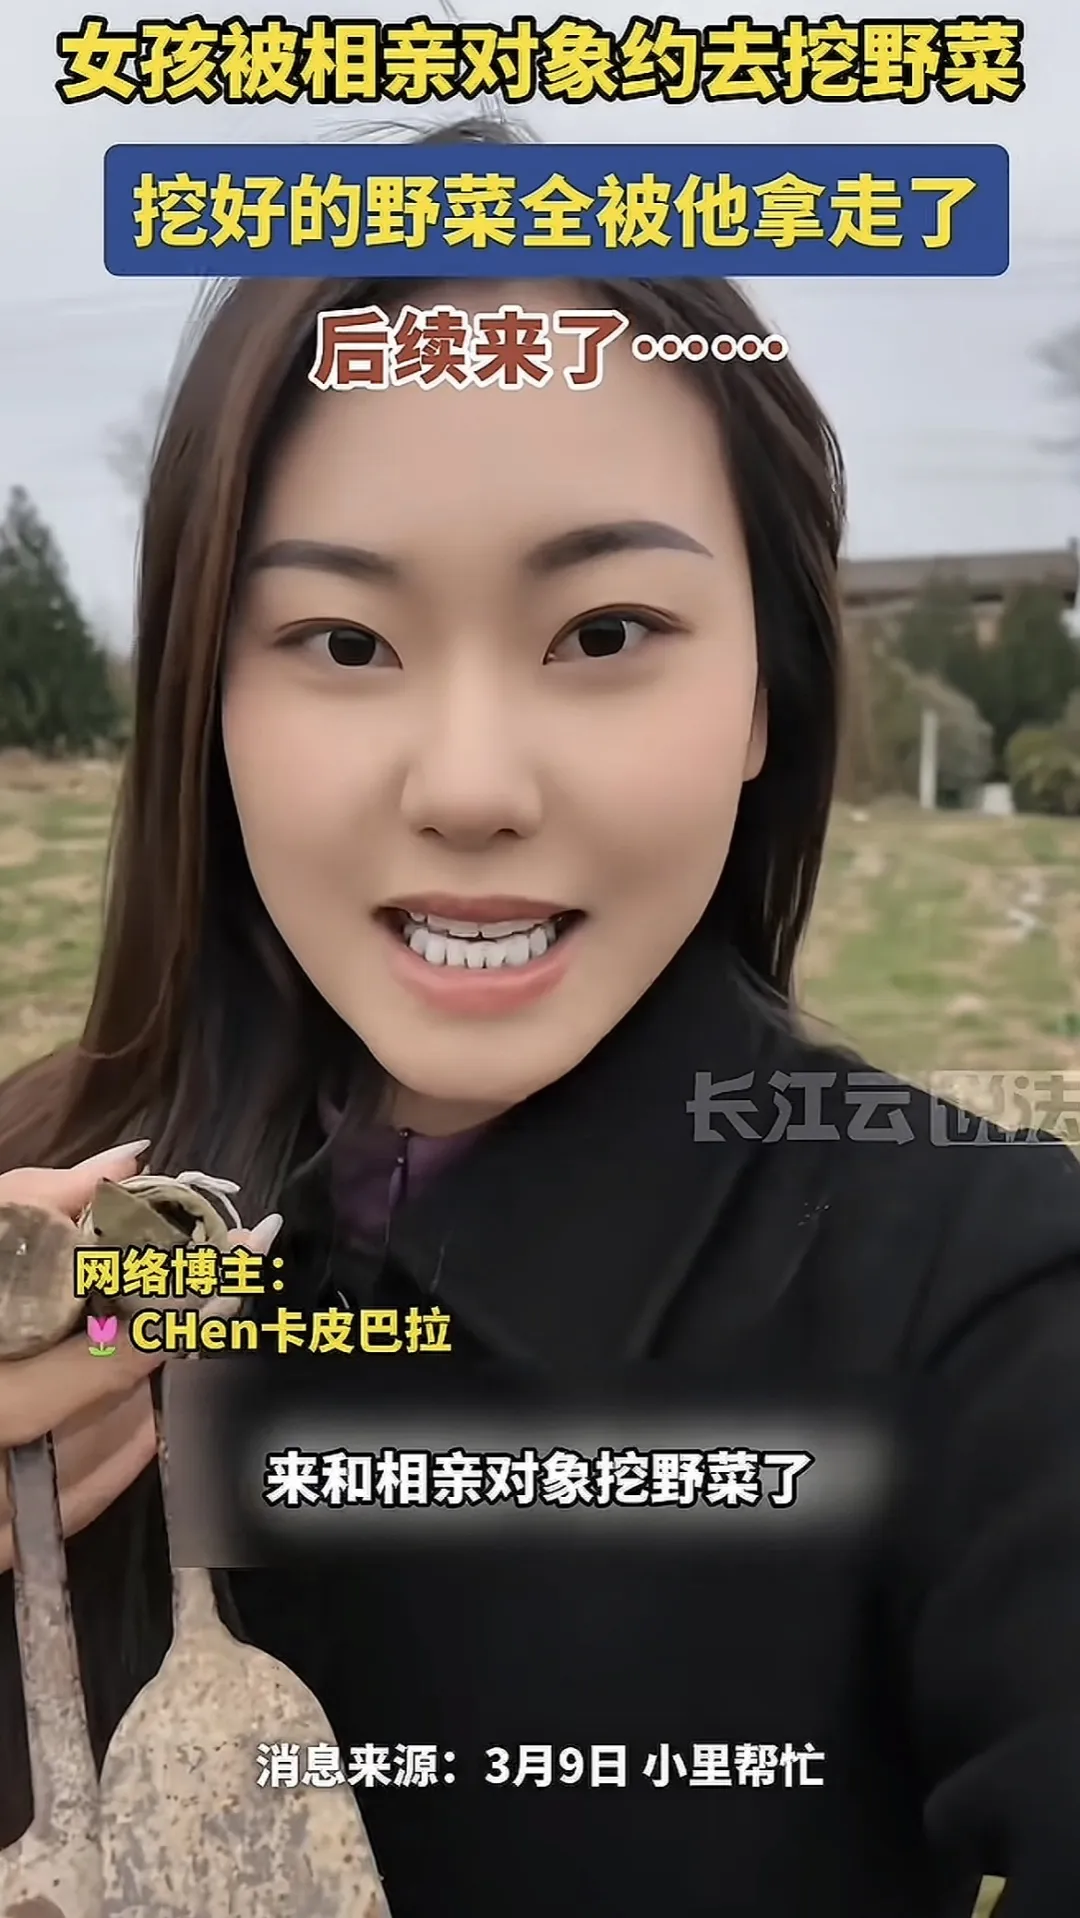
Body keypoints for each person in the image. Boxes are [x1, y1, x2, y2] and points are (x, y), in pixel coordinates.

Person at [1, 116, 1078, 1918]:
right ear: (207, 699)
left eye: (604, 632)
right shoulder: (50, 1225)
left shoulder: (983, 1302)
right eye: (346, 642)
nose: (472, 785)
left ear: (766, 694)